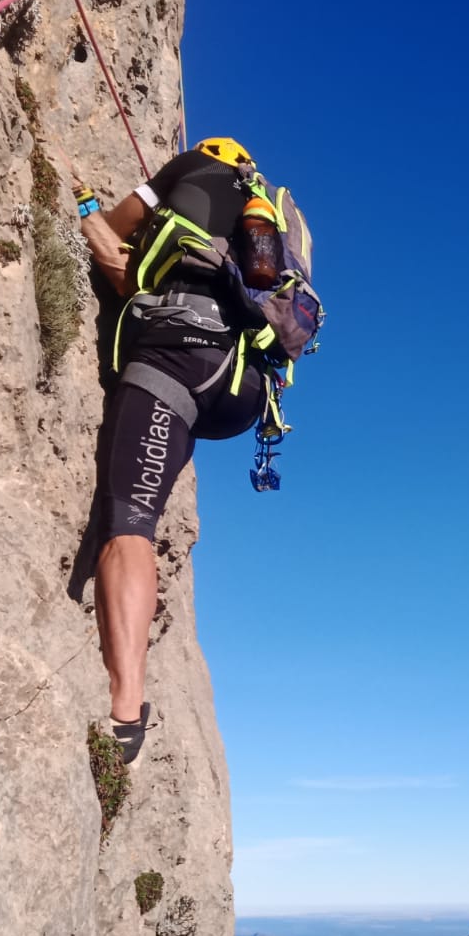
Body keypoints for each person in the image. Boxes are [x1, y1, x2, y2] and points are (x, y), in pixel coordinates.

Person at [73, 137, 267, 764]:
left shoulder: (187, 168)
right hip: (239, 387)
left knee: (128, 526)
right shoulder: (267, 217)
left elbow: (115, 241)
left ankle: (127, 712)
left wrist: (83, 206)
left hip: (176, 356)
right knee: (146, 507)